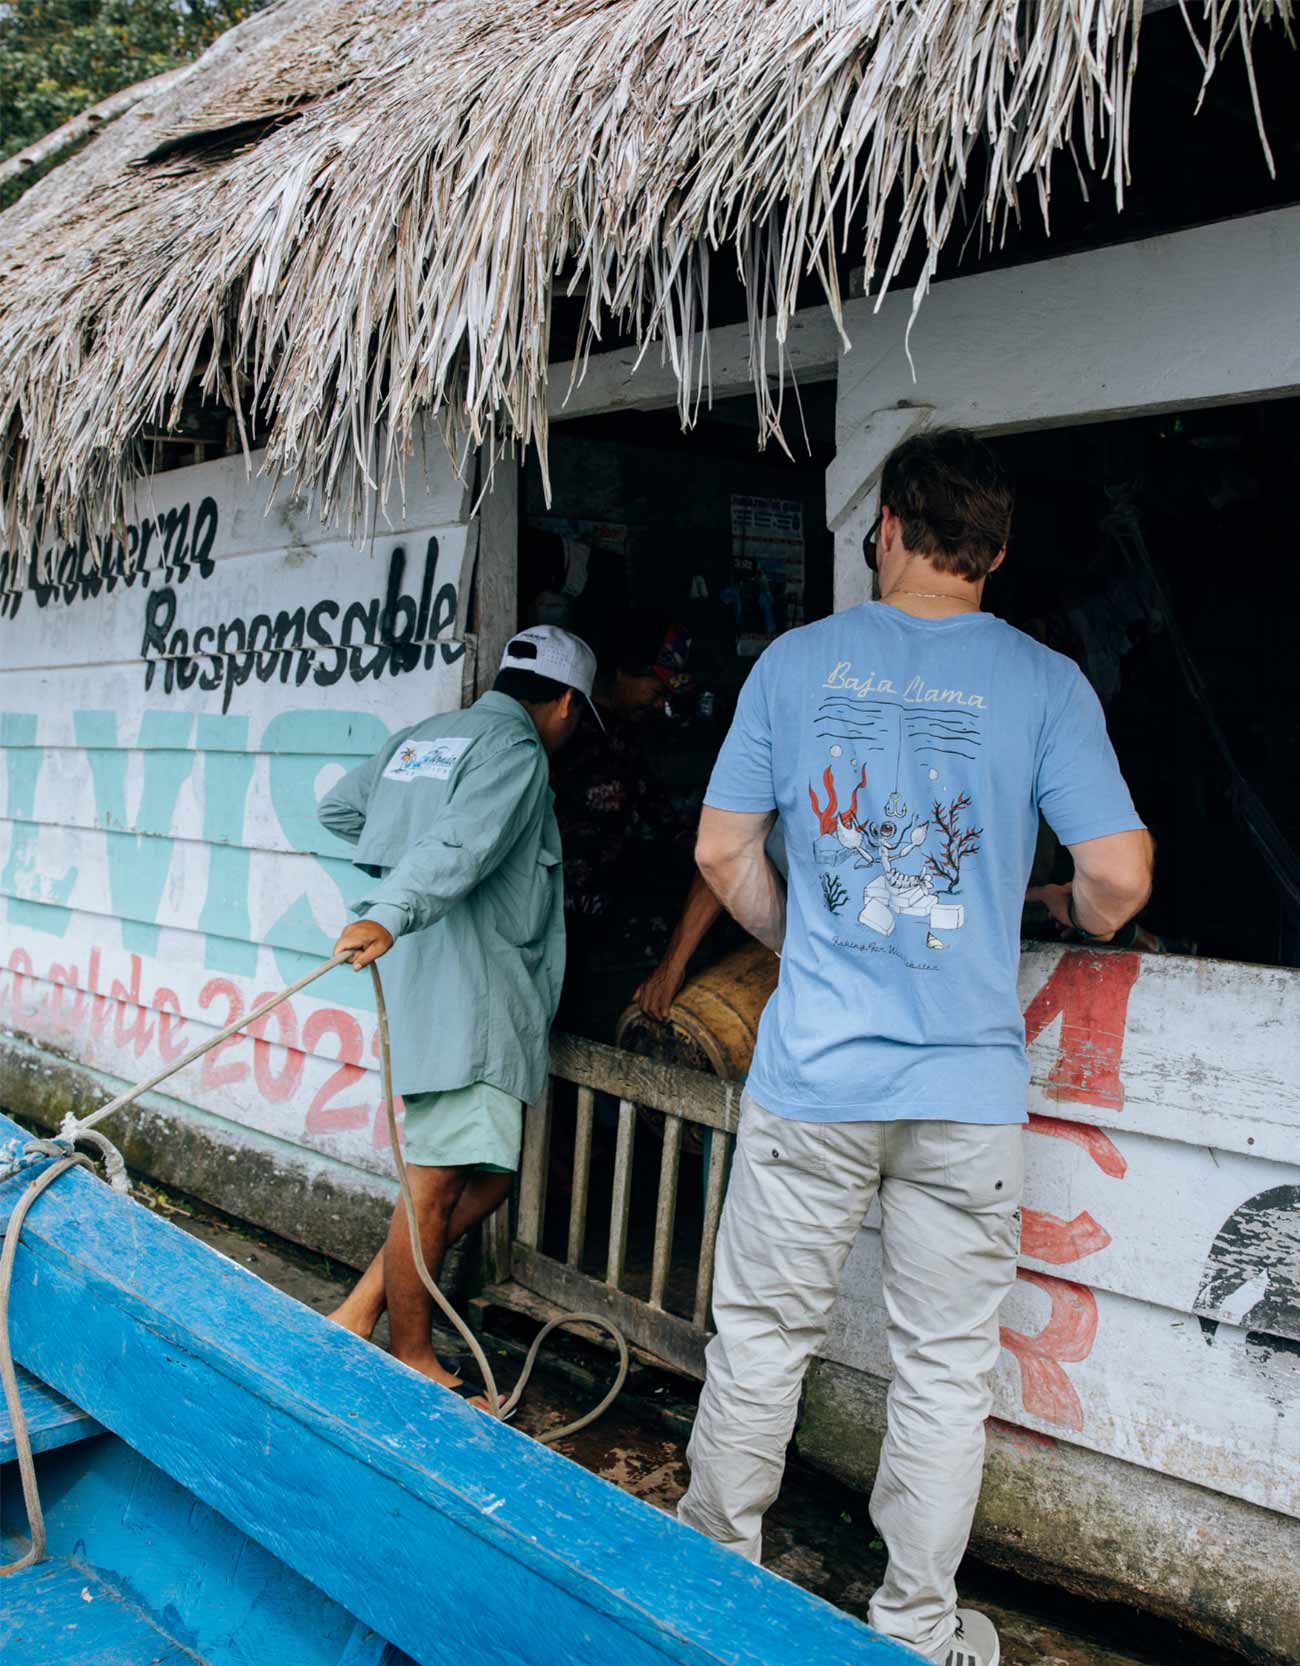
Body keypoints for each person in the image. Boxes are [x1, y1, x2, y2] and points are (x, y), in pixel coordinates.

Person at [676, 429, 1153, 1666]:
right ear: (996, 550)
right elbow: (1116, 877)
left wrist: (804, 935)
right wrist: (1056, 910)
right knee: (942, 1373)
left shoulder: (795, 664)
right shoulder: (1046, 684)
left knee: (761, 1340)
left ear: (884, 528)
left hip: (814, 1079)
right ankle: (915, 1629)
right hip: (966, 1094)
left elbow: (722, 851)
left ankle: (707, 1585)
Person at [317, 626, 597, 1401]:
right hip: (473, 992)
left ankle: (359, 1309)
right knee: (437, 1185)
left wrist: (405, 867)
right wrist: (395, 906)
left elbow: (342, 810)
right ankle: (411, 1353)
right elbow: (460, 849)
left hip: (427, 983)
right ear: (565, 703)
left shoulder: (425, 738)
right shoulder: (516, 752)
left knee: (486, 1175)